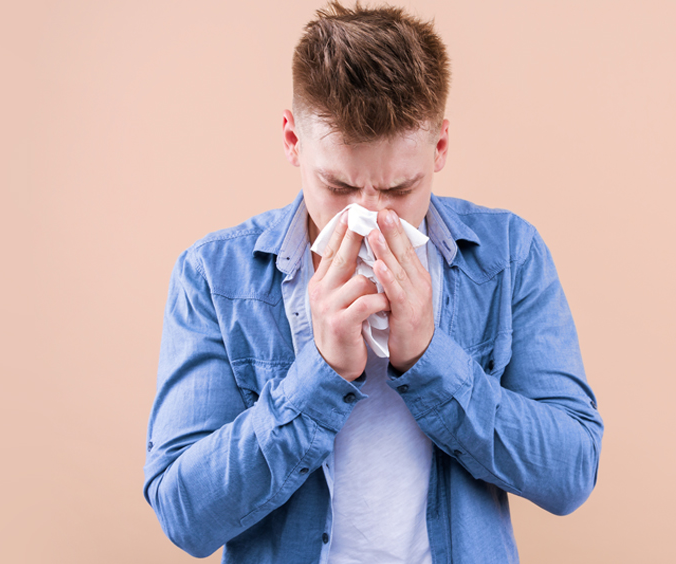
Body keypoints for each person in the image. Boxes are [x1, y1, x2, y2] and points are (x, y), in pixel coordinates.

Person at [143, 2, 603, 562]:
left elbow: (572, 471)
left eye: (398, 189)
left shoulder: (510, 256)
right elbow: (184, 514)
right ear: (292, 140)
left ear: (439, 149)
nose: (368, 216)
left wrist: (430, 360)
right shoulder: (215, 276)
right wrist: (320, 375)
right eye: (337, 186)